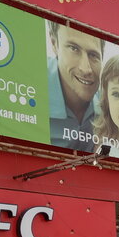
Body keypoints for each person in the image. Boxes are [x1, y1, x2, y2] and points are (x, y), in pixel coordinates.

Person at [46, 21, 104, 151]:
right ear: (54, 43)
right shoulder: (31, 89)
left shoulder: (110, 106)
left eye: (93, 55)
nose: (86, 69)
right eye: (74, 49)